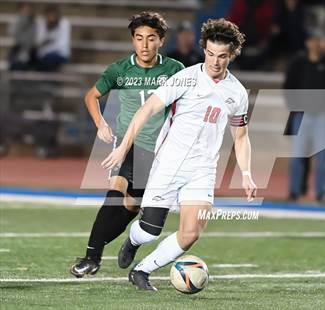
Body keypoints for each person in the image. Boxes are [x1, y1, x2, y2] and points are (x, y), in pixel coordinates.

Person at [102, 18, 257, 291]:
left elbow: (241, 137)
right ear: (204, 50)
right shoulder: (186, 77)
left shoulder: (237, 94)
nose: (215, 62)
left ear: (232, 54)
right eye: (210, 54)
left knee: (190, 233)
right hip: (169, 163)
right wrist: (124, 146)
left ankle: (142, 271)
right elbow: (146, 110)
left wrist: (246, 174)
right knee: (150, 230)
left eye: (222, 56)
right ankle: (134, 240)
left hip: (203, 169)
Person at [70, 12, 184, 277]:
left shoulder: (175, 70)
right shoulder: (119, 69)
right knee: (115, 193)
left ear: (161, 41)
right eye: (139, 38)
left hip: (158, 150)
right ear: (132, 40)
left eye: (151, 39)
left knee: (132, 207)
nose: (144, 45)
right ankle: (91, 257)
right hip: (127, 142)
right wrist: (101, 124)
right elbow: (92, 95)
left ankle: (128, 244)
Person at [285, 29, 325, 203]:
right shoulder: (298, 63)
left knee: (322, 159)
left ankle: (320, 193)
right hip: (301, 116)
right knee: (297, 156)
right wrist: (295, 108)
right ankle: (294, 192)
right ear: (307, 43)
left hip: (323, 118)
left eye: (318, 40)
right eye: (312, 40)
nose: (315, 44)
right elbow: (288, 87)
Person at [35, 5, 71, 71]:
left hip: (59, 54)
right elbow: (39, 41)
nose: (51, 17)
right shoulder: (42, 23)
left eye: (53, 15)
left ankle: (49, 80)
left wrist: (47, 47)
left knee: (48, 60)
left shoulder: (64, 23)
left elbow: (62, 45)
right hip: (43, 55)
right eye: (49, 15)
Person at [8, 2, 38, 70]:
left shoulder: (34, 22)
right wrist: (23, 20)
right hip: (18, 47)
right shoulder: (15, 21)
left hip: (31, 49)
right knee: (14, 62)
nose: (26, 11)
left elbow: (34, 38)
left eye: (28, 9)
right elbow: (13, 34)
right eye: (24, 9)